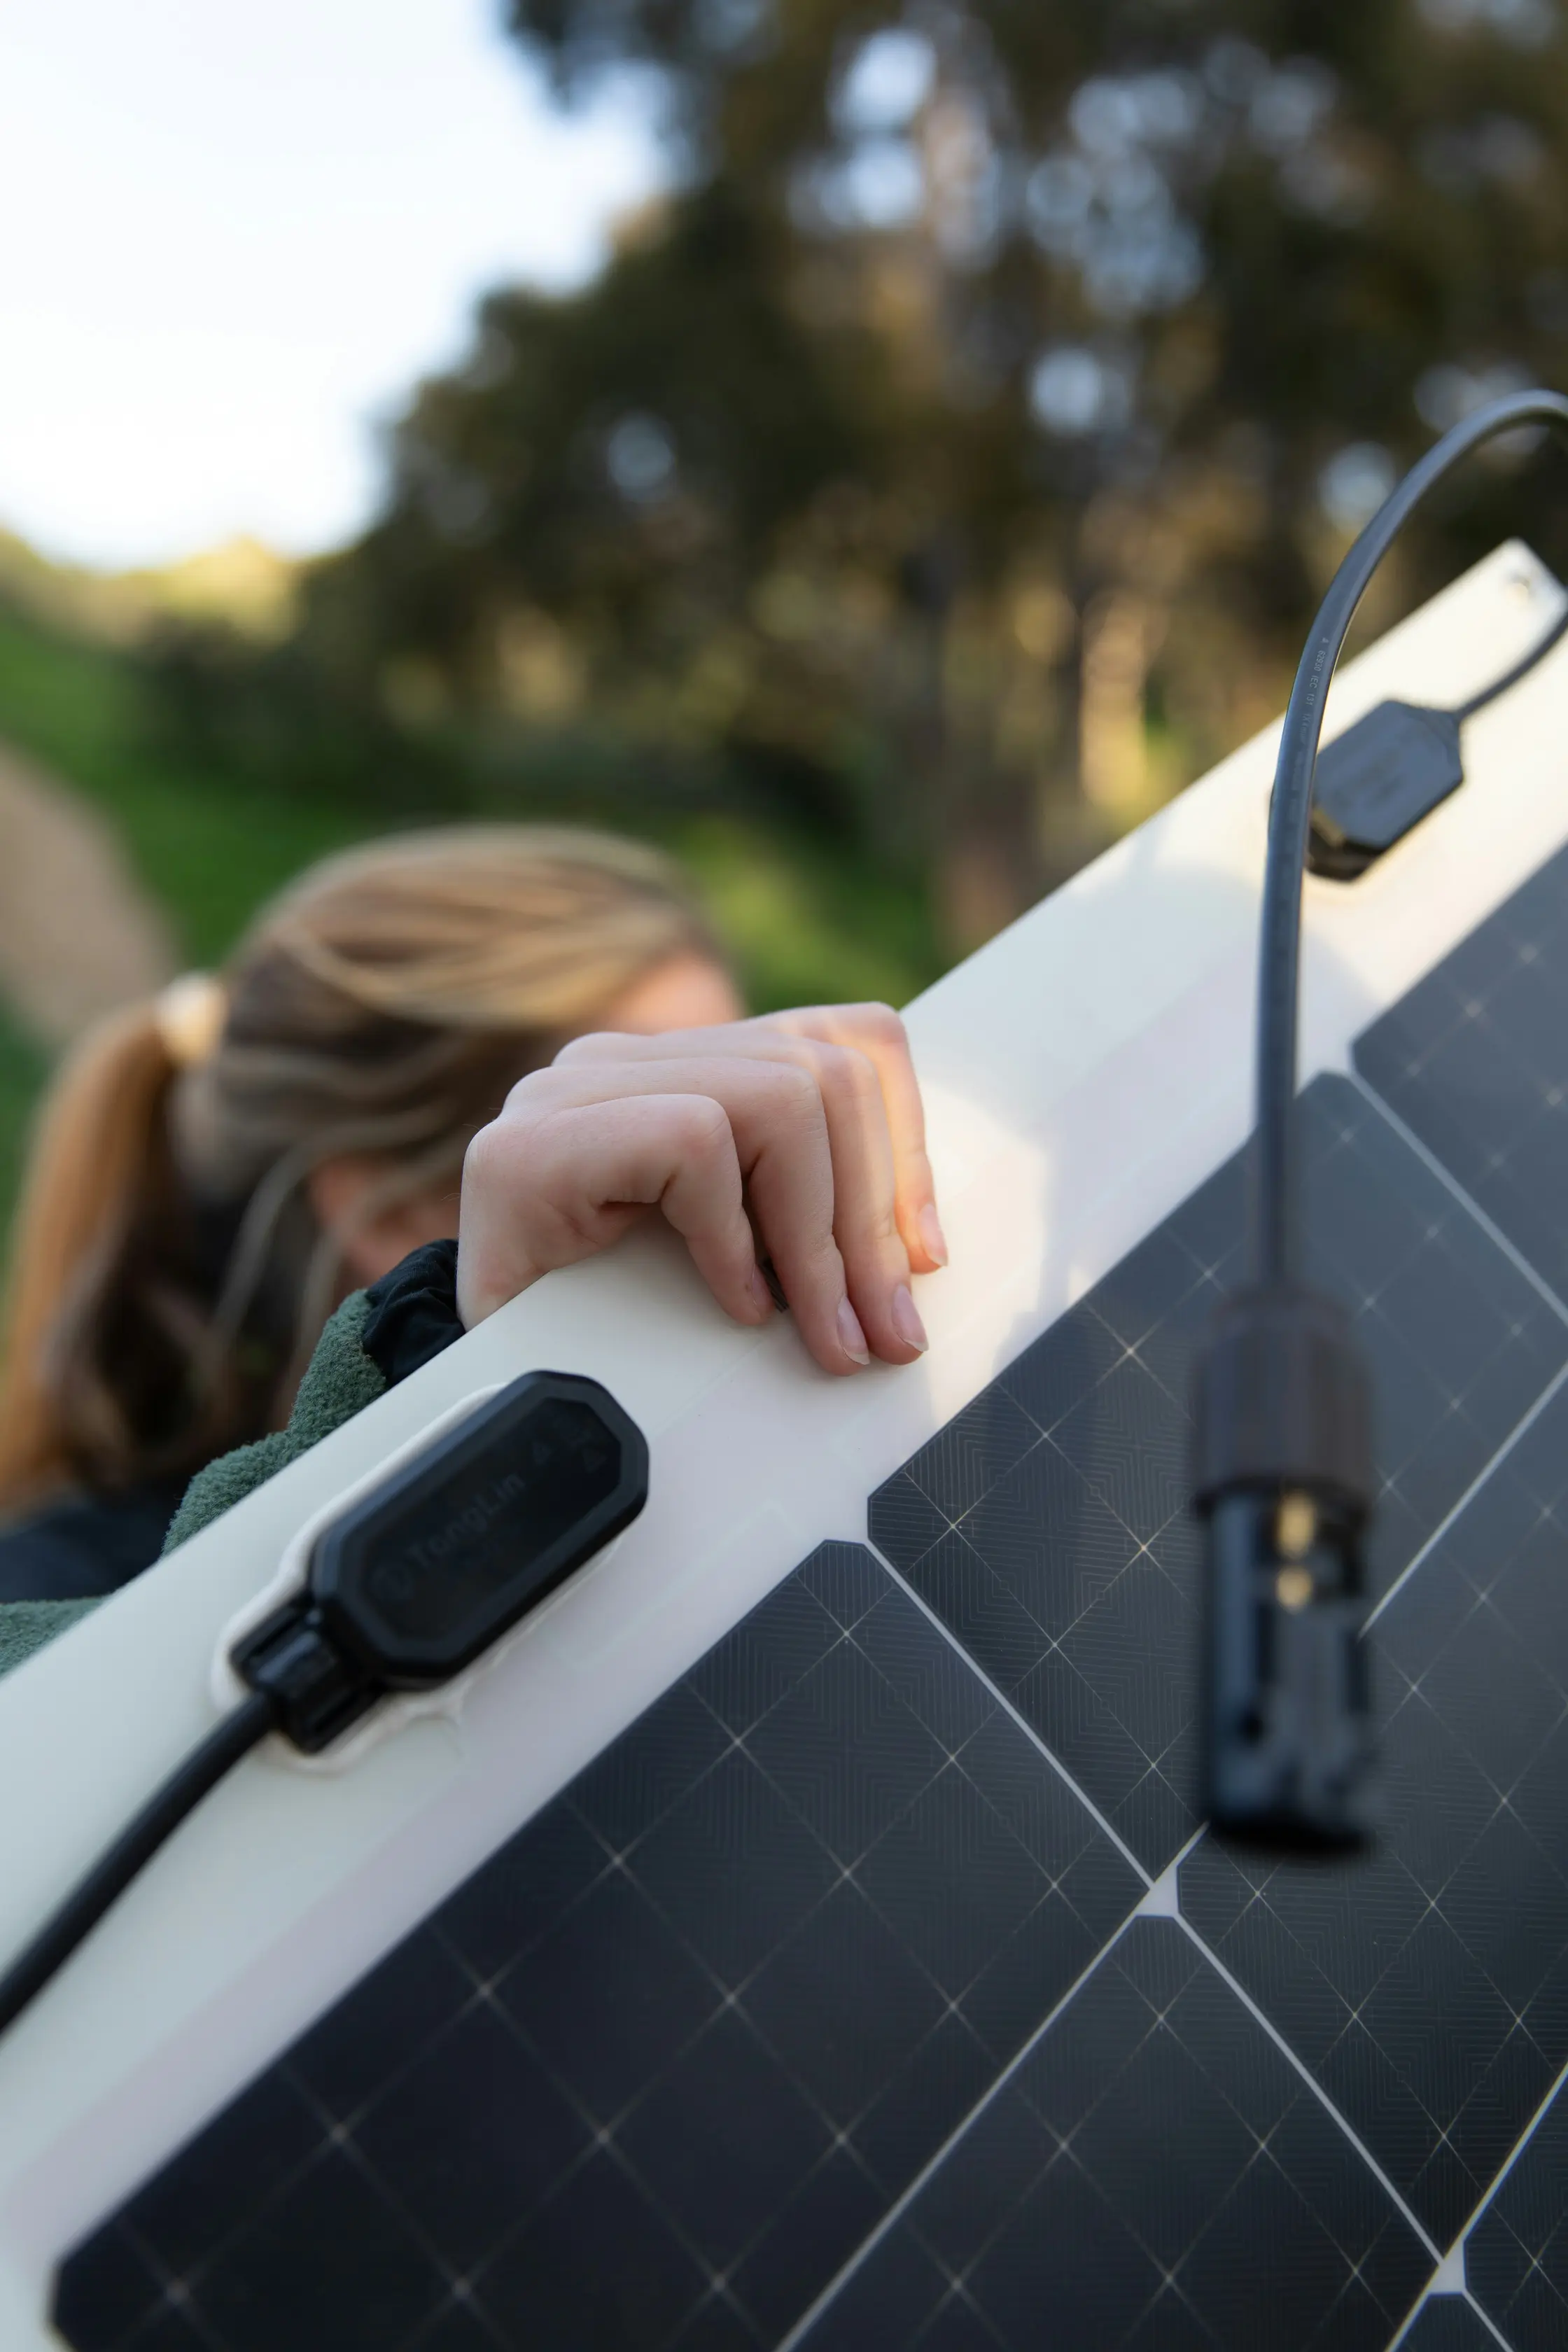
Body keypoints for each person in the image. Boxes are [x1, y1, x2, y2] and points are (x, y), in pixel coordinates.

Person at [0, 825, 944, 1613]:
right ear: (397, 1207)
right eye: (663, 1153)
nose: (747, 1177)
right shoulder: (64, 1607)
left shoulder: (737, 1494)